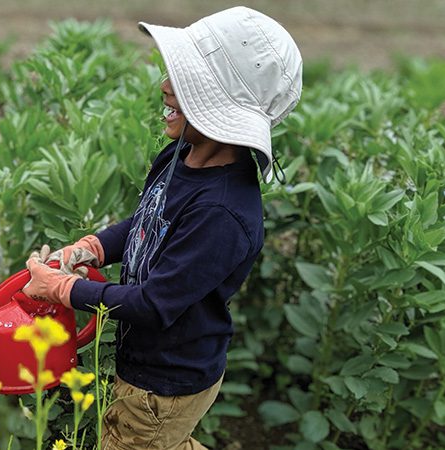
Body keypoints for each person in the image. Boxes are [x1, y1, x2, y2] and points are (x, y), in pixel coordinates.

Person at [22, 6, 302, 450]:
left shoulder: (222, 214)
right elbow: (147, 223)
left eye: (186, 83)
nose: (165, 87)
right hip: (150, 363)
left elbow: (154, 304)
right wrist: (92, 247)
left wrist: (63, 289)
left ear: (219, 108)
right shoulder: (182, 155)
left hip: (165, 384)